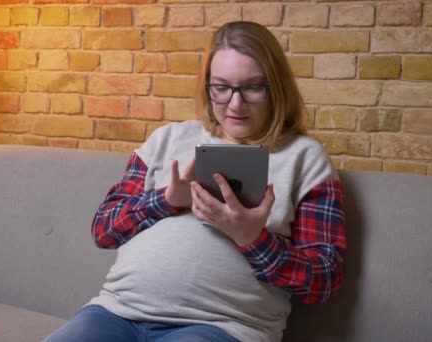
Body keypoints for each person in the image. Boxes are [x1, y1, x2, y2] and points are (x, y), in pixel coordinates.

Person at [43, 21, 346, 342]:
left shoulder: (305, 157)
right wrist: (166, 200)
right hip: (117, 312)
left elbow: (323, 280)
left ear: (277, 88)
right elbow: (103, 230)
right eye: (221, 87)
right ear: (206, 86)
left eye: (253, 87)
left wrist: (252, 238)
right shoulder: (167, 138)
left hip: (222, 327)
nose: (235, 104)